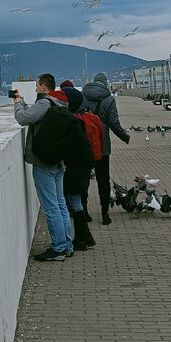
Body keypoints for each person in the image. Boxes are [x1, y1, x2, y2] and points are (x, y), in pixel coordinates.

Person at [13, 73, 74, 261]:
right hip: (58, 161)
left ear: (43, 87)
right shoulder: (58, 103)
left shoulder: (44, 103)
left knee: (51, 207)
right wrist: (23, 103)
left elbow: (23, 119)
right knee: (61, 204)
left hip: (43, 163)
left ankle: (58, 249)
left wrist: (17, 104)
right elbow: (31, 116)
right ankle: (67, 245)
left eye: (37, 85)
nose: (35, 88)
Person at [80, 72, 130, 225]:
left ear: (94, 82)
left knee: (84, 179)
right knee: (103, 180)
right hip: (102, 146)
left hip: (85, 144)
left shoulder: (82, 96)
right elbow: (114, 123)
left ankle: (85, 213)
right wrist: (124, 136)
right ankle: (105, 214)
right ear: (105, 83)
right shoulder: (109, 99)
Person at [62, 86, 96, 250]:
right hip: (80, 170)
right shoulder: (78, 120)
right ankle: (86, 236)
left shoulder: (72, 122)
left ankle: (82, 239)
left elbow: (82, 147)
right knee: (76, 203)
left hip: (75, 171)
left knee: (75, 203)